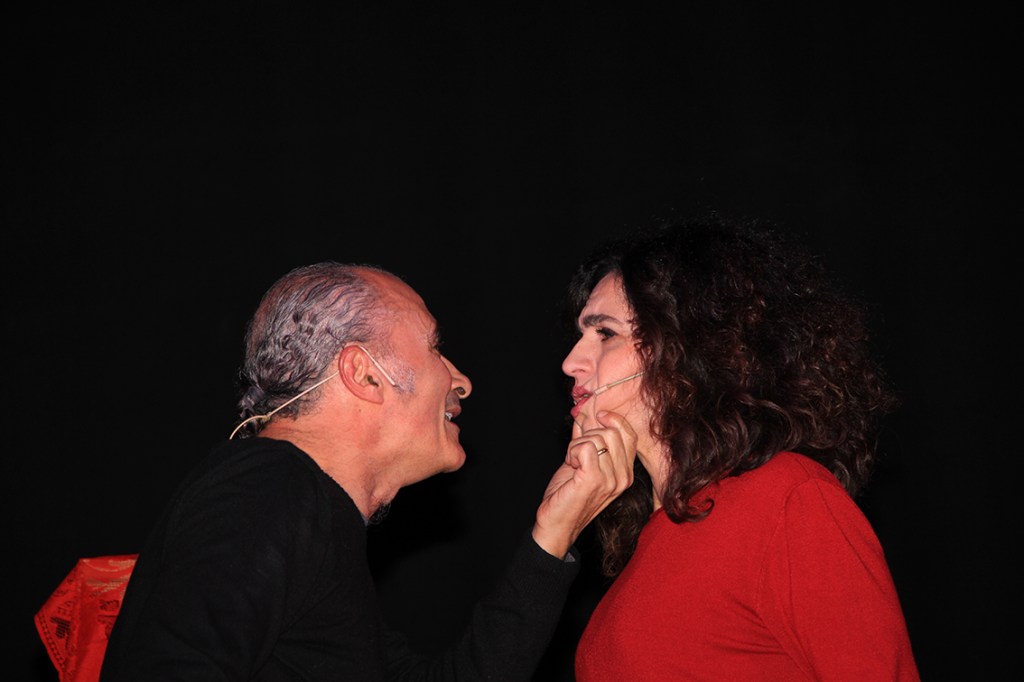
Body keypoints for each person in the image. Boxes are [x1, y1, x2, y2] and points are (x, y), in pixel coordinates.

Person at [99, 262, 637, 681]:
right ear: (364, 374)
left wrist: (553, 534)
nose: (461, 380)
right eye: (435, 348)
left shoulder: (306, 511)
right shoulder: (267, 489)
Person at [562, 214, 920, 681]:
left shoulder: (788, 498)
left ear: (687, 346)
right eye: (580, 336)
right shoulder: (647, 545)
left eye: (605, 333)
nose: (571, 362)